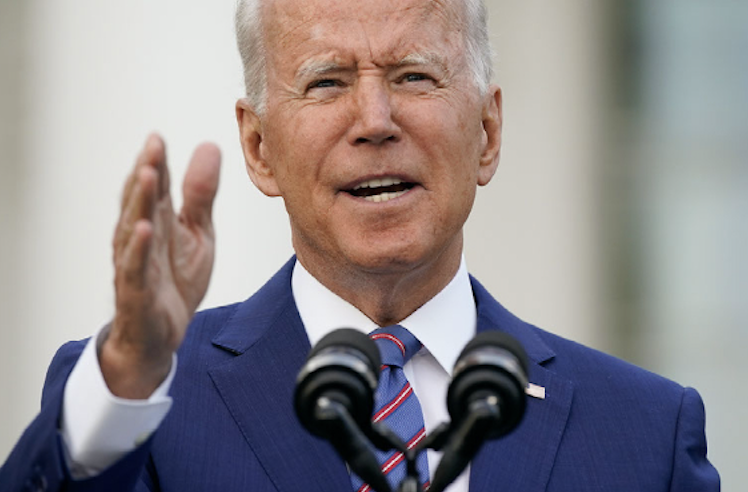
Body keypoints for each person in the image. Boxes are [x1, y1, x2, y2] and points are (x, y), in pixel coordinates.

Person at [0, 0, 720, 490]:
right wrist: (130, 370)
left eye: (413, 76)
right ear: (258, 147)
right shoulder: (145, 398)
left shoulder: (644, 433)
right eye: (327, 82)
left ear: (488, 134)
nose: (374, 120)